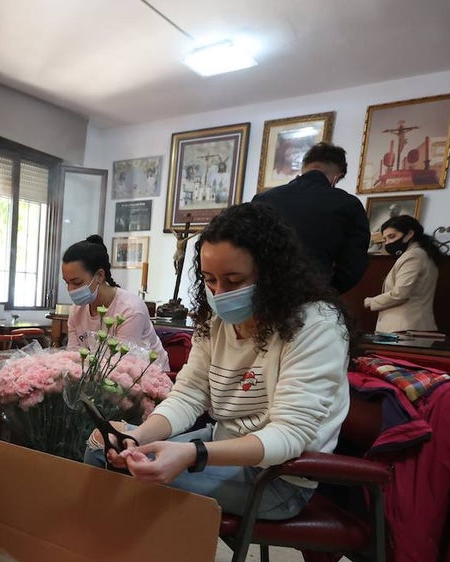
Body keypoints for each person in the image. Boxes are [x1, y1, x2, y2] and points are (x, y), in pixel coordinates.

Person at [86, 203, 352, 520]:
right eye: (209, 279)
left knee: (134, 482)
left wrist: (192, 454)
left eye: (234, 281)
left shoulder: (317, 325)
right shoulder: (217, 321)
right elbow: (189, 394)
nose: (219, 293)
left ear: (273, 274)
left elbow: (289, 436)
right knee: (103, 447)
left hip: (279, 477)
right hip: (221, 446)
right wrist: (139, 437)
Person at [252, 142, 371, 294]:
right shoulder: (348, 204)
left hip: (264, 292)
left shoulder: (263, 199)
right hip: (313, 293)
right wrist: (328, 290)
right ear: (337, 178)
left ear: (303, 168)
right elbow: (354, 265)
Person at [62, 235, 168, 370]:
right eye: (67, 282)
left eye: (77, 282)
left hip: (147, 376)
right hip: (99, 376)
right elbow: (73, 357)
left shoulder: (130, 309)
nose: (70, 290)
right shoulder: (76, 311)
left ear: (100, 276)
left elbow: (120, 366)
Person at [364, 214, 440, 333]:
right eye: (385, 239)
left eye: (392, 236)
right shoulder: (423, 253)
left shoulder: (413, 256)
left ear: (409, 234)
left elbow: (400, 293)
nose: (388, 243)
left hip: (405, 328)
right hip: (411, 326)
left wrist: (372, 301)